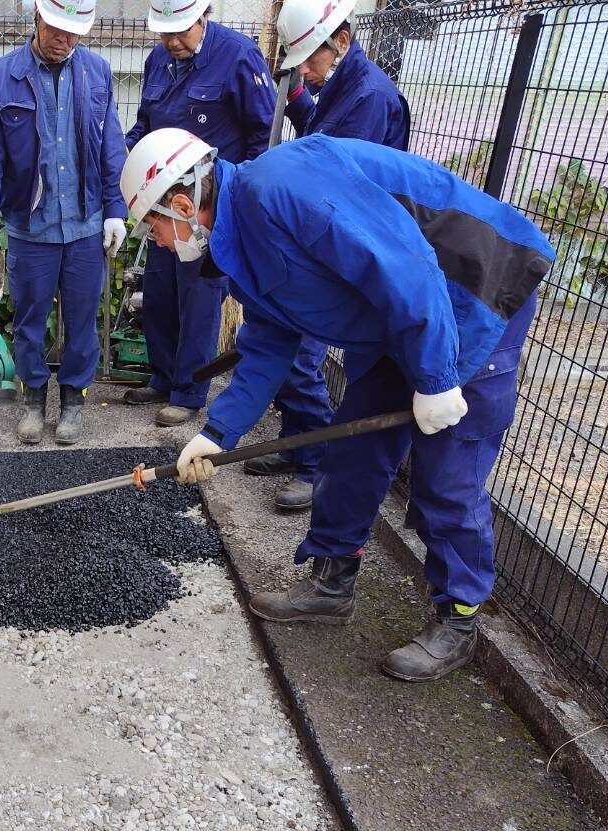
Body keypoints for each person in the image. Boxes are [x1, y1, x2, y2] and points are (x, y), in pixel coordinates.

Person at [120, 129, 554, 681]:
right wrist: (217, 433)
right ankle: (331, 584)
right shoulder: (239, 238)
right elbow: (268, 342)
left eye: (153, 227)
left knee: (447, 474)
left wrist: (438, 379)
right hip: (399, 320)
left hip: (472, 295)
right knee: (352, 454)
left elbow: (405, 265)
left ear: (183, 206)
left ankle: (459, 617)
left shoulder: (284, 186)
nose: (157, 242)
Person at [244, 0, 413, 512]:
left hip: (340, 249)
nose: (305, 71)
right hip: (319, 240)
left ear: (340, 42)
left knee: (301, 357)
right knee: (292, 355)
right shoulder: (340, 87)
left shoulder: (370, 97)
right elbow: (319, 137)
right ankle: (295, 443)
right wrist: (299, 98)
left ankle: (315, 464)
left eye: (308, 60)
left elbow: (338, 179)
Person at [0, 0, 129, 446]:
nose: (65, 40)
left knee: (81, 321)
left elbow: (111, 146)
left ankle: (73, 401)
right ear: (37, 17)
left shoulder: (97, 73)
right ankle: (34, 401)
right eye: (57, 29)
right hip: (30, 228)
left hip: (84, 225)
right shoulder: (0, 78)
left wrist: (116, 209)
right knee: (30, 320)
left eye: (74, 32)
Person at [122, 0, 274, 429]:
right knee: (160, 293)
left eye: (181, 31)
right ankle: (163, 376)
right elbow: (145, 123)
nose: (172, 41)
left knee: (200, 300)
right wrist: (124, 154)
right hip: (163, 202)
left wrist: (243, 204)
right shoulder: (158, 60)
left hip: (209, 208)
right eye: (164, 33)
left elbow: (263, 134)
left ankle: (188, 393)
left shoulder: (239, 56)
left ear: (204, 14)